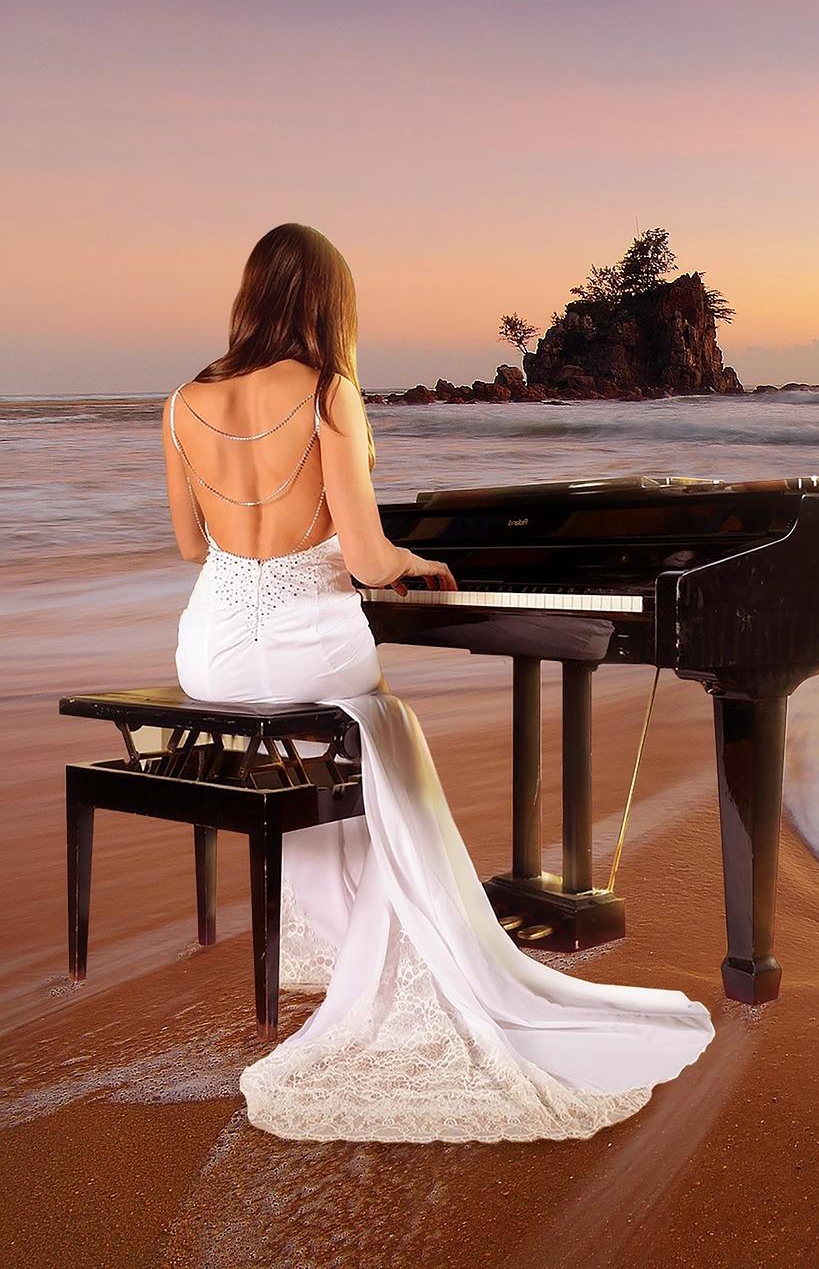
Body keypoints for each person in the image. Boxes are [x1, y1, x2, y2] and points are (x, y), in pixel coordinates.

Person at [164, 223, 713, 1142]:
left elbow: (191, 546)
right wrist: (412, 558)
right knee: (386, 729)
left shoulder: (181, 402)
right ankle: (422, 935)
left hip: (211, 650)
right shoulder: (330, 393)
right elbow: (371, 559)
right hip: (306, 645)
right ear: (326, 303)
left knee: (335, 739)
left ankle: (354, 934)